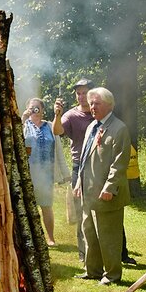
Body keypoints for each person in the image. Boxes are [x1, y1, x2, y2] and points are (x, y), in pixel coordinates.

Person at [73, 87, 131, 286]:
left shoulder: (119, 128)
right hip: (89, 193)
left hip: (107, 194)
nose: (92, 106)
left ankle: (112, 275)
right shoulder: (92, 126)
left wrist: (109, 187)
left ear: (109, 105)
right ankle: (93, 271)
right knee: (89, 232)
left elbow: (120, 163)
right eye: (91, 103)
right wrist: (80, 182)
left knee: (108, 236)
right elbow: (84, 159)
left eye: (96, 103)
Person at [54, 78, 95, 261]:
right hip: (79, 166)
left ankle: (120, 252)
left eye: (85, 92)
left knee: (104, 208)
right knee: (80, 210)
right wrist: (57, 114)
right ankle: (83, 252)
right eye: (78, 93)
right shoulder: (70, 115)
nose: (81, 96)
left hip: (99, 165)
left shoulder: (99, 112)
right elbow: (57, 131)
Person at [22, 98, 56, 245]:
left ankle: (50, 238)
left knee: (46, 206)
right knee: (28, 206)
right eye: (32, 108)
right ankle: (31, 239)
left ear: (42, 110)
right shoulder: (23, 125)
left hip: (46, 172)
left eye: (38, 108)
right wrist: (23, 118)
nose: (35, 110)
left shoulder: (49, 126)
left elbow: (58, 149)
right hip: (29, 172)